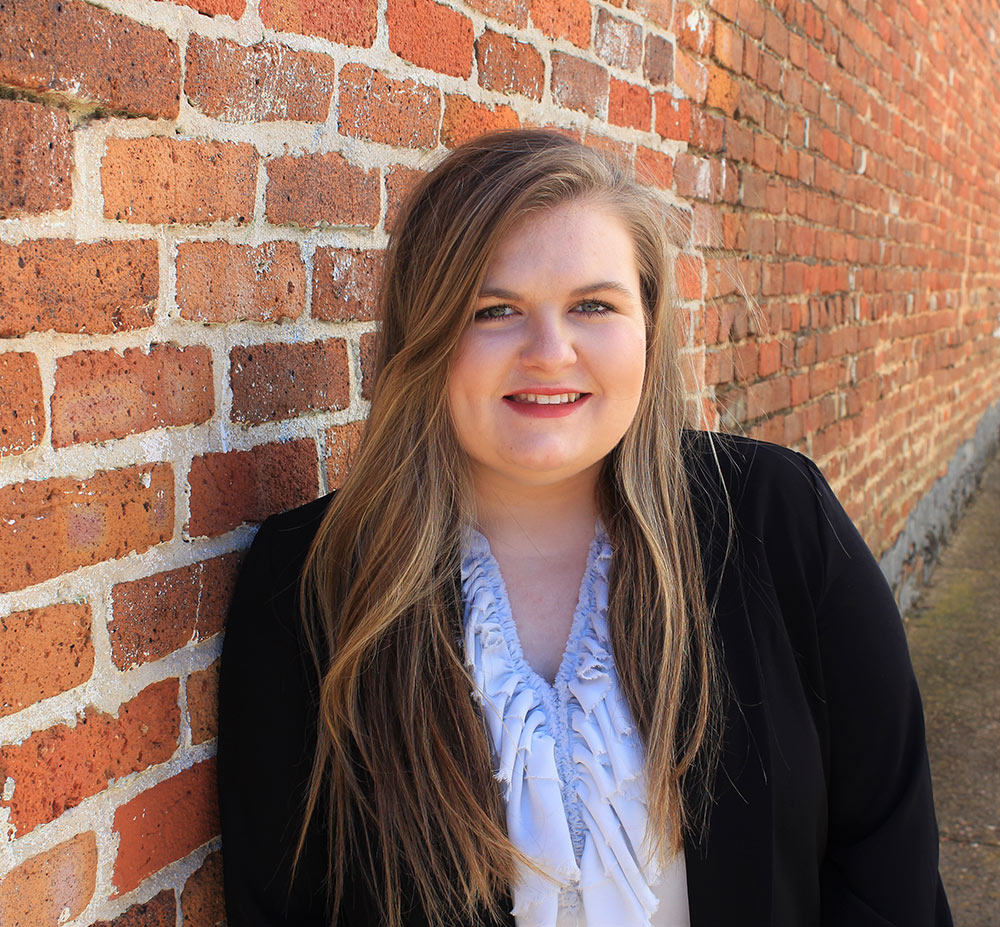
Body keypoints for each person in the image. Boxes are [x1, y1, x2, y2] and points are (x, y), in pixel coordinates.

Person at [218, 129, 952, 927]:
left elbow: (889, 865)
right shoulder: (309, 584)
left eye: (593, 305)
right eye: (493, 310)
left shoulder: (778, 520)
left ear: (647, 321)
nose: (550, 352)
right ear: (424, 337)